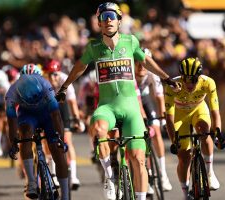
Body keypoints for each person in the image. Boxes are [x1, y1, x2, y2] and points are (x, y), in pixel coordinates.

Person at [55, 2, 179, 200]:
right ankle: (110, 177)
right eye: (104, 17)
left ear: (120, 21)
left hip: (131, 109)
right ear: (99, 23)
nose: (109, 20)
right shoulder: (94, 47)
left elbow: (146, 61)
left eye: (113, 16)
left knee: (138, 158)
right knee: (97, 126)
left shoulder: (131, 41)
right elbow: (79, 67)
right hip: (107, 107)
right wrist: (63, 87)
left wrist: (166, 78)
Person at [6, 64, 69, 200]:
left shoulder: (46, 86)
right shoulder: (11, 93)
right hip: (27, 116)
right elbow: (11, 121)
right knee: (25, 134)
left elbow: (56, 116)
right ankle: (32, 182)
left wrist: (60, 139)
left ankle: (65, 194)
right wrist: (13, 142)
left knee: (57, 150)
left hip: (47, 115)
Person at [165, 57, 222, 200]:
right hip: (179, 115)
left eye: (194, 80)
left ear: (199, 77)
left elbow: (215, 112)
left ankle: (209, 173)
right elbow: (169, 119)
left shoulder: (208, 82)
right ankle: (185, 194)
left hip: (198, 109)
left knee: (205, 131)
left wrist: (218, 132)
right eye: (186, 80)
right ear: (182, 77)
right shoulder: (172, 85)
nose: (189, 84)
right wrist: (173, 141)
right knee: (184, 157)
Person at [135, 48, 172, 192]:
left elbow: (159, 97)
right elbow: (137, 106)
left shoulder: (151, 73)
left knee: (155, 131)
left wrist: (163, 118)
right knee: (140, 135)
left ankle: (163, 175)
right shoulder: (129, 72)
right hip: (132, 101)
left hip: (145, 100)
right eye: (137, 62)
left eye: (144, 63)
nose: (141, 67)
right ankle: (145, 172)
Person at [44, 60, 82, 190]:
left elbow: (72, 102)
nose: (53, 77)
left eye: (55, 74)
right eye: (50, 74)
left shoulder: (65, 80)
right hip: (48, 108)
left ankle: (74, 177)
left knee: (67, 139)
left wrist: (76, 118)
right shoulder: (44, 82)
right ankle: (53, 173)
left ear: (59, 73)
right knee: (48, 138)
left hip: (62, 107)